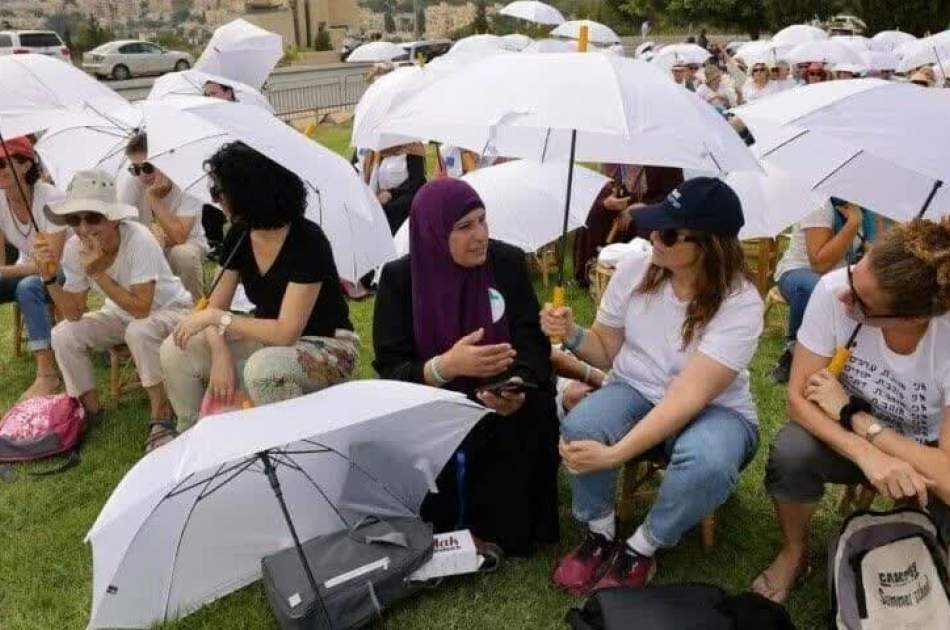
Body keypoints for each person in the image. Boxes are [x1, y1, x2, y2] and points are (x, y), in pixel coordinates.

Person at [544, 178, 763, 593]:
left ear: (709, 246)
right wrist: (572, 333)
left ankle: (642, 546)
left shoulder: (741, 302)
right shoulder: (636, 269)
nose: (652, 238)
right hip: (636, 388)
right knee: (580, 428)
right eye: (653, 226)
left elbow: (689, 396)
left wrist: (614, 455)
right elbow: (606, 350)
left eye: (665, 232)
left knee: (708, 462)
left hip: (717, 408)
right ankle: (600, 532)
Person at [752, 218, 950, 603]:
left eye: (861, 303)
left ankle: (921, 555)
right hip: (857, 442)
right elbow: (798, 401)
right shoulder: (834, 289)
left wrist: (859, 419)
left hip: (923, 450)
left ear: (912, 318)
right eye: (854, 270)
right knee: (793, 450)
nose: (844, 297)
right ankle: (794, 552)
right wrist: (868, 454)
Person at [372, 178, 560, 558]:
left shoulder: (505, 263)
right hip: (432, 400)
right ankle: (453, 523)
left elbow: (532, 343)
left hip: (503, 395)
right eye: (464, 227)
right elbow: (391, 369)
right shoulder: (399, 281)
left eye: (482, 221)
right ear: (434, 232)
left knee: (532, 413)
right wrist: (445, 367)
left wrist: (516, 383)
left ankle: (514, 525)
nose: (480, 236)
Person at [160, 142, 359, 433]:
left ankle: (289, 440)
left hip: (327, 345)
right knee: (176, 348)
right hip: (267, 340)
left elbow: (285, 332)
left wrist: (219, 319)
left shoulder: (307, 241)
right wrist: (219, 354)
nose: (215, 200)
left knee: (264, 370)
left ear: (248, 194)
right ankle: (195, 436)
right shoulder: (240, 235)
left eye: (219, 191)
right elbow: (216, 306)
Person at [36, 170, 192, 451]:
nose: (83, 228)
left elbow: (143, 308)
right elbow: (74, 313)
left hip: (172, 311)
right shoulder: (74, 248)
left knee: (139, 329)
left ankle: (161, 414)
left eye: (93, 217)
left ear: (113, 217)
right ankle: (91, 411)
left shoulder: (139, 239)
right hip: (121, 313)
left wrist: (98, 274)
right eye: (74, 219)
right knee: (63, 334)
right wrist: (48, 278)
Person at [771, 200, 878, 384]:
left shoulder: (866, 212)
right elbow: (819, 264)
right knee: (819, 288)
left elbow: (871, 254)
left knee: (875, 291)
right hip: (799, 273)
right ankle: (792, 354)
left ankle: (854, 361)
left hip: (842, 277)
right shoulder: (819, 205)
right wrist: (852, 225)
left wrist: (872, 252)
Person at [0, 136, 67, 400]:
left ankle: (47, 374)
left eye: (3, 163)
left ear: (26, 165)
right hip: (26, 268)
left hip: (64, 271)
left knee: (29, 286)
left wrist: (5, 272)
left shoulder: (51, 198)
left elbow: (51, 263)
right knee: (26, 281)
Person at [121, 132, 208, 302]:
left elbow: (180, 236)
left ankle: (197, 308)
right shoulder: (132, 183)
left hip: (189, 243)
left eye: (147, 167)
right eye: (135, 169)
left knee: (182, 254)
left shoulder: (186, 182)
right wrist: (147, 240)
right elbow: (122, 228)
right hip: (148, 246)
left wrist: (153, 199)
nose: (142, 175)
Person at [361, 143, 427, 234]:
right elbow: (372, 181)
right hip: (380, 202)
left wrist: (391, 193)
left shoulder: (413, 149)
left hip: (402, 205)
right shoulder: (380, 151)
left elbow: (417, 182)